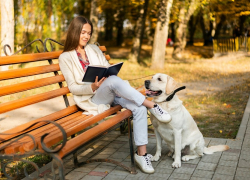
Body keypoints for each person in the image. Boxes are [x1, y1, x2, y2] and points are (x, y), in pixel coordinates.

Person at [59, 16, 172, 174]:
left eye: (89, 33)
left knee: (138, 109)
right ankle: (152, 105)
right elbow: (73, 88)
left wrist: (109, 71)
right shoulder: (65, 57)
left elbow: (106, 68)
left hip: (110, 91)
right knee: (113, 82)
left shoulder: (93, 49)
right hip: (93, 98)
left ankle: (142, 154)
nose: (86, 36)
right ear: (74, 32)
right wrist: (92, 86)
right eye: (83, 32)